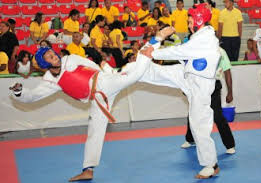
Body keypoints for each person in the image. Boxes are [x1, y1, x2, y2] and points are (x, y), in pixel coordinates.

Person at [9, 27, 172, 181]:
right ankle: (88, 170)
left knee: (134, 74)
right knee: (95, 131)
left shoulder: (69, 59)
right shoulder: (51, 81)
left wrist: (105, 75)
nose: (55, 56)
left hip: (103, 83)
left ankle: (155, 40)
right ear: (46, 65)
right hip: (98, 99)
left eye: (53, 53)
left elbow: (91, 65)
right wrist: (19, 93)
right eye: (51, 57)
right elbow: (32, 96)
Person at [140, 3, 221, 178]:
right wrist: (152, 52)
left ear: (200, 20)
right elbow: (185, 56)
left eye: (191, 21)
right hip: (187, 75)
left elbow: (181, 51)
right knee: (155, 73)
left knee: (199, 124)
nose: (189, 24)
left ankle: (211, 164)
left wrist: (154, 53)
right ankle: (135, 72)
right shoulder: (199, 36)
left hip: (200, 85)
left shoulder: (206, 37)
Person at [181, 47, 236, 154]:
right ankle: (190, 139)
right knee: (193, 113)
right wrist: (185, 87)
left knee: (218, 116)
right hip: (196, 85)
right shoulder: (195, 49)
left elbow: (227, 71)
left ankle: (230, 145)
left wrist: (230, 92)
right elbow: (187, 69)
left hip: (213, 85)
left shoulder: (220, 51)